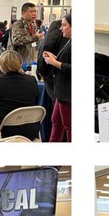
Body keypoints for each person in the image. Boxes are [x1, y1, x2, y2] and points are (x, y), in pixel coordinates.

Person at [0, 48, 40, 141]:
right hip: (29, 129)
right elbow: (35, 101)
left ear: (1, 64)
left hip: (3, 130)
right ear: (20, 63)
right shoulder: (31, 80)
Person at [42, 12, 71, 141]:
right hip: (61, 92)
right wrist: (54, 58)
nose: (61, 28)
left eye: (64, 25)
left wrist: (54, 62)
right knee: (56, 122)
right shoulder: (69, 42)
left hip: (67, 93)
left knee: (69, 126)